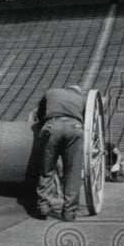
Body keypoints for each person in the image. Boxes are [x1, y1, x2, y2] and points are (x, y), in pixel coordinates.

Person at [35, 84, 86, 221]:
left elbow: (40, 112)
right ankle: (69, 212)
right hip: (75, 128)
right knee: (72, 172)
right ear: (77, 92)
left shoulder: (51, 91)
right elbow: (86, 119)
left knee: (47, 169)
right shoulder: (81, 99)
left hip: (52, 126)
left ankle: (43, 207)